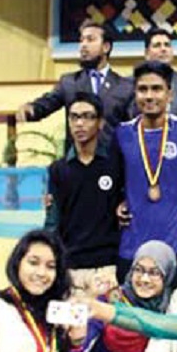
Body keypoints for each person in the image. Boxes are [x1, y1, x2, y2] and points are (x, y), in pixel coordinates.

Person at [112, 61, 177, 284]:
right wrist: (116, 203)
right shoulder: (122, 133)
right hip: (133, 246)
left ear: (170, 93)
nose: (149, 96)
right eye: (143, 89)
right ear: (135, 93)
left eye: (157, 89)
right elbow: (110, 177)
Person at [46, 93, 122, 297]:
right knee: (72, 328)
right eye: (74, 117)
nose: (80, 123)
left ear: (100, 123)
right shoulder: (58, 170)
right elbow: (53, 221)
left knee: (109, 328)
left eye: (87, 116)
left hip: (108, 269)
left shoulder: (116, 163)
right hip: (71, 270)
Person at [17, 19, 133, 146]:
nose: (83, 45)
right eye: (81, 40)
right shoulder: (69, 83)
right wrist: (32, 108)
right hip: (77, 161)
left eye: (90, 39)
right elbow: (48, 102)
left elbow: (133, 127)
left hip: (112, 162)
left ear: (106, 47)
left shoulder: (124, 87)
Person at [139, 28, 177, 120]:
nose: (163, 49)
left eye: (167, 45)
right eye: (157, 45)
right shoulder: (130, 84)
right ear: (146, 53)